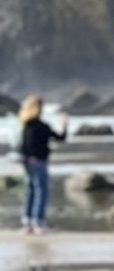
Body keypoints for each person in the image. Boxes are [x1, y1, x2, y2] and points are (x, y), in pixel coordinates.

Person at [18, 97, 66, 232]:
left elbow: (23, 145)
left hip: (28, 161)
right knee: (41, 191)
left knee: (30, 191)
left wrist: (27, 157)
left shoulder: (26, 124)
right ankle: (37, 222)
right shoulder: (40, 126)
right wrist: (64, 125)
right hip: (38, 161)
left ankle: (28, 222)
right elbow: (60, 138)